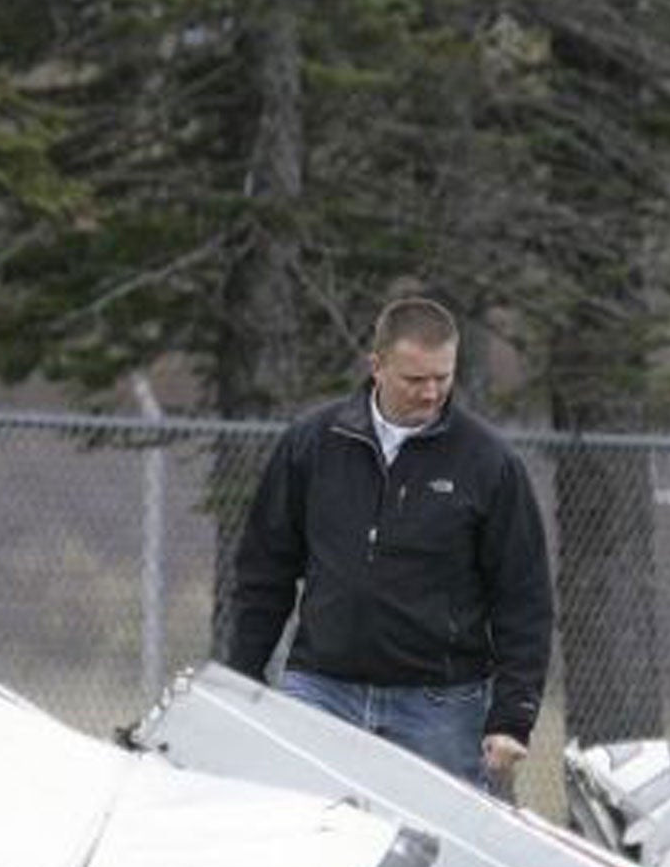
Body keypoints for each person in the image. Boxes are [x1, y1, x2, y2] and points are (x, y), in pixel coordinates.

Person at [225, 297, 554, 792]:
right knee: (299, 840)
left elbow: (523, 598)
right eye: (415, 379)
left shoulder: (488, 463)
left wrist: (512, 716)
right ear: (376, 366)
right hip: (321, 688)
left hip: (441, 707)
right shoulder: (313, 444)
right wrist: (241, 678)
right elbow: (265, 572)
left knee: (440, 856)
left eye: (443, 378)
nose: (431, 393)